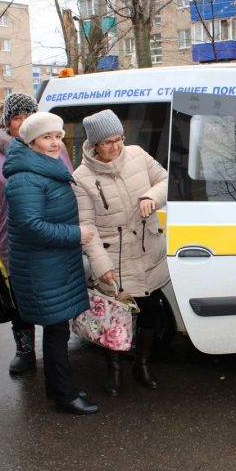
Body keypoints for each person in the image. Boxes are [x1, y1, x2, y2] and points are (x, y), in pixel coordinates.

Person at [3, 112, 98, 415]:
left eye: (58, 136)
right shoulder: (24, 177)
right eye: (47, 137)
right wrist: (76, 234)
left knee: (58, 330)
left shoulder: (46, 167)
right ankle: (64, 396)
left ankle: (60, 387)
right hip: (40, 267)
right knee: (56, 331)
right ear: (31, 142)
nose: (55, 142)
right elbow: (31, 225)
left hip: (55, 262)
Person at [72, 109, 169, 397]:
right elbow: (86, 226)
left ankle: (142, 364)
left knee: (151, 310)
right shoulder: (82, 177)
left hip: (147, 250)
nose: (115, 147)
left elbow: (165, 179)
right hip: (113, 256)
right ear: (94, 145)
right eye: (108, 142)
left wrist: (152, 196)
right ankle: (114, 372)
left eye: (119, 139)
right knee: (113, 317)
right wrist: (101, 267)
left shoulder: (138, 155)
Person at [0, 93, 74, 375]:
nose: (21, 123)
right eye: (16, 118)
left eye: (27, 116)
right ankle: (25, 349)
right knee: (17, 295)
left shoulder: (54, 146)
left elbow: (69, 186)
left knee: (51, 292)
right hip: (8, 238)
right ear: (7, 122)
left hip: (49, 235)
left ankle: (56, 350)